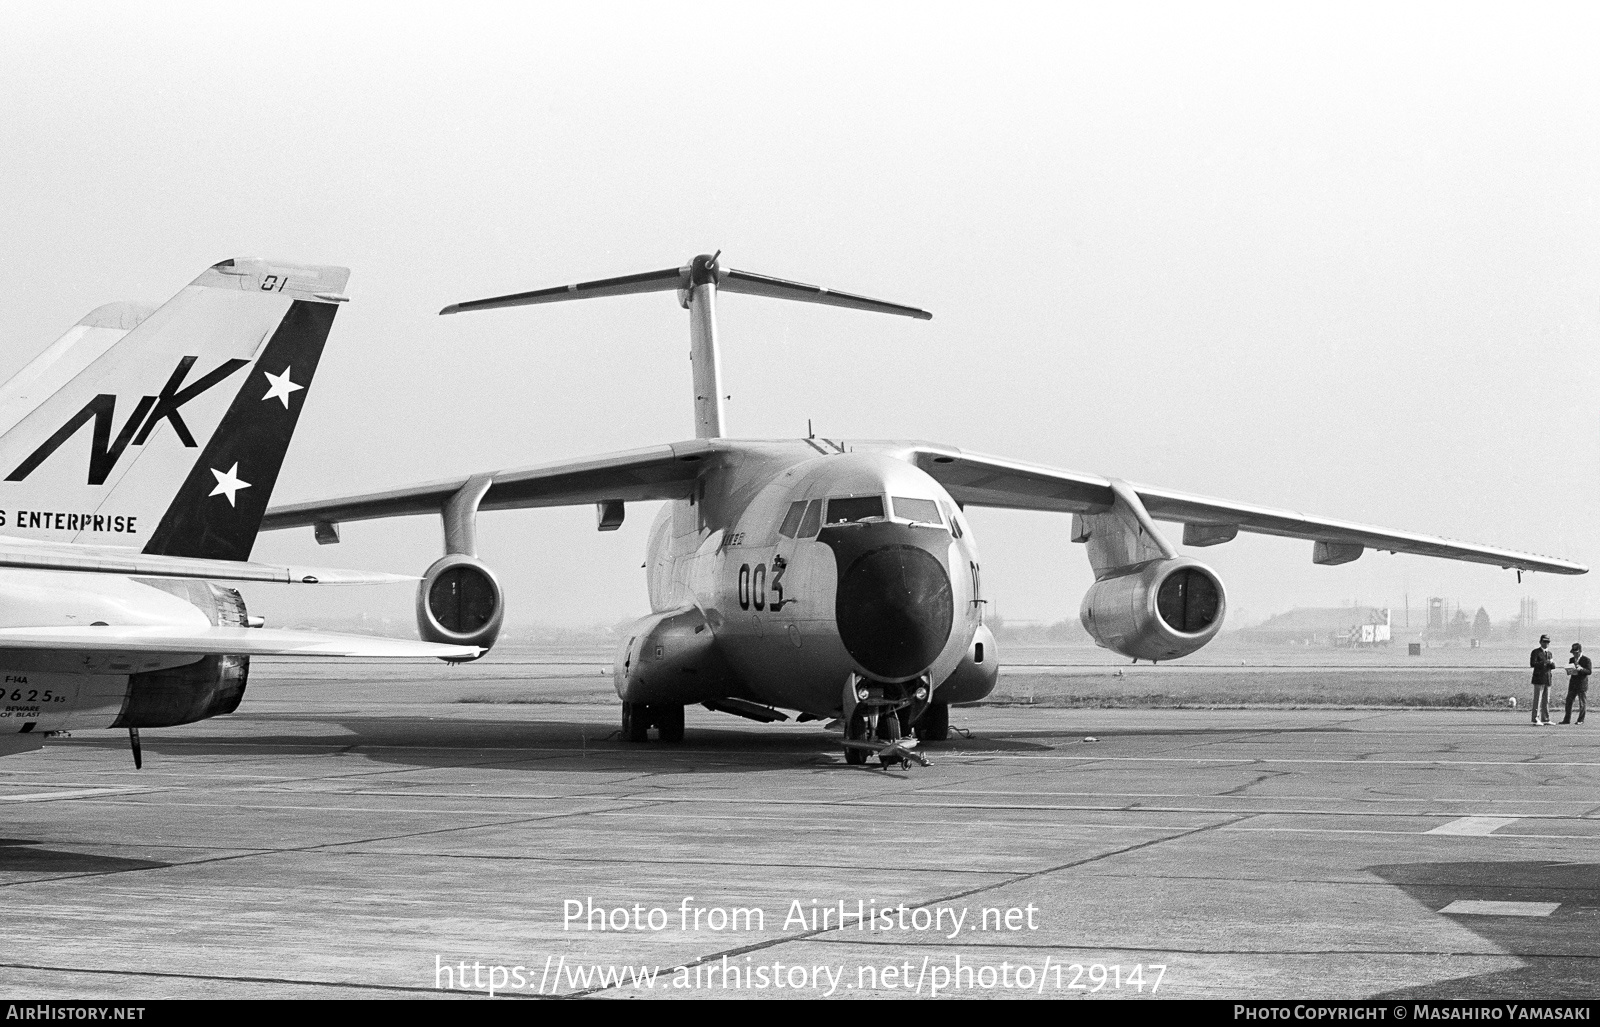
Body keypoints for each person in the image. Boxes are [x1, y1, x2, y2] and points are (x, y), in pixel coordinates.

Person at [1561, 642, 1591, 724]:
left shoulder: (1586, 660)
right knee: (1568, 701)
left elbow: (1589, 671)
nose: (1574, 654)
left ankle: (1580, 719)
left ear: (1580, 651)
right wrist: (1569, 670)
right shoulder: (1571, 660)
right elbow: (1571, 672)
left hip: (1582, 684)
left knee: (1582, 703)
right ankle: (1567, 719)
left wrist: (1581, 669)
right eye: (1573, 653)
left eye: (1576, 653)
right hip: (1573, 684)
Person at [1530, 634, 1556, 725]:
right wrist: (1545, 662)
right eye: (1544, 642)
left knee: (1546, 700)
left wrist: (1551, 663)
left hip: (1547, 678)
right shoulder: (1536, 652)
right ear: (1540, 642)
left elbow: (1553, 667)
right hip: (1538, 678)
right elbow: (1533, 663)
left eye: (1548, 642)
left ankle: (1545, 718)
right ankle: (1535, 718)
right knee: (1538, 700)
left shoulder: (1549, 653)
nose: (1546, 644)